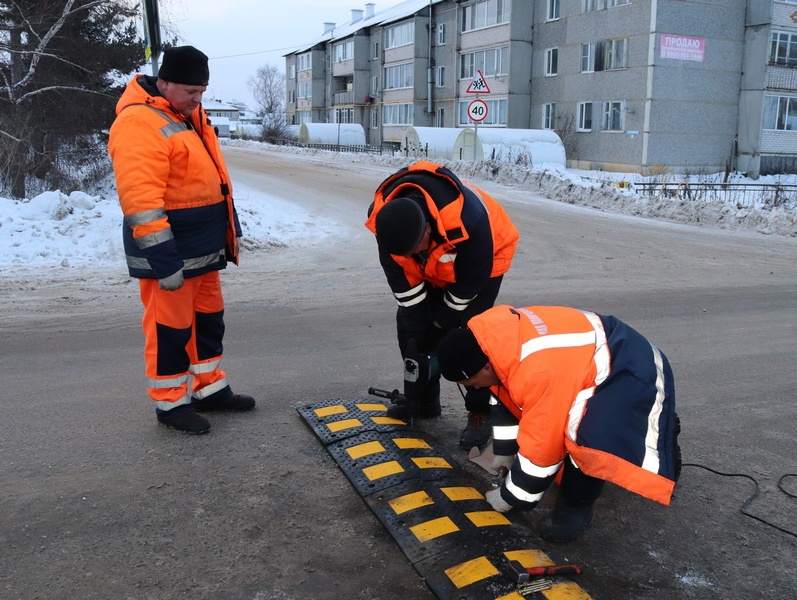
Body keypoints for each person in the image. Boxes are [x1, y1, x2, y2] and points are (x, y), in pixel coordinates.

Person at [436, 304, 681, 542]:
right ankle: (637, 422)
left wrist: (510, 497)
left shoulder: (538, 373)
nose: (477, 387)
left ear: (485, 365)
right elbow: (505, 400)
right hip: (597, 352)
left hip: (631, 368)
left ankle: (576, 505)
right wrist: (505, 452)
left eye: (475, 382)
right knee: (549, 414)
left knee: (583, 437)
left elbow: (544, 447)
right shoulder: (493, 342)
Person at [108, 46, 255, 434]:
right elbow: (140, 199)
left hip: (202, 248)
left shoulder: (188, 114)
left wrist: (227, 233)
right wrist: (163, 258)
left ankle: (210, 388)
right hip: (170, 253)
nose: (198, 99)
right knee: (169, 328)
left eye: (202, 92)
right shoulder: (139, 122)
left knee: (208, 321)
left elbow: (210, 180)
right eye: (191, 91)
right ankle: (171, 404)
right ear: (165, 82)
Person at [364, 161, 519, 450]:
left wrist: (440, 325)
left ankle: (480, 411)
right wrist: (421, 334)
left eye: (417, 248)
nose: (415, 255)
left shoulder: (467, 220)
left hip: (486, 257)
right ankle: (422, 400)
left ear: (427, 227)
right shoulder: (385, 221)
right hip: (441, 258)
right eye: (409, 253)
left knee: (473, 334)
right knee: (409, 327)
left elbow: (467, 288)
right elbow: (406, 292)